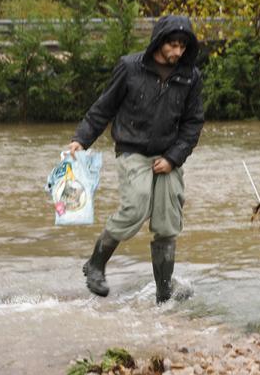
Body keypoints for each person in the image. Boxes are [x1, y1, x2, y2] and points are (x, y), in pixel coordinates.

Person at [67, 15, 204, 303]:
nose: (177, 52)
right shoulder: (130, 67)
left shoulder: (191, 77)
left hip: (168, 156)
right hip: (132, 150)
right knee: (135, 206)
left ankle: (163, 294)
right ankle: (95, 264)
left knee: (168, 224)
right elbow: (104, 107)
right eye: (172, 45)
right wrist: (81, 139)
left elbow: (193, 125)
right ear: (159, 41)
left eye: (182, 47)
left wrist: (173, 157)